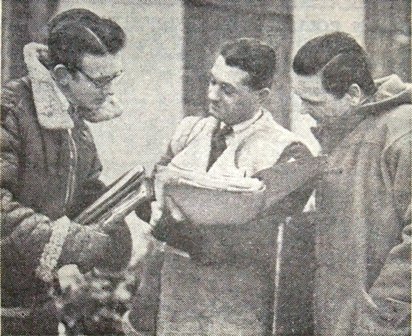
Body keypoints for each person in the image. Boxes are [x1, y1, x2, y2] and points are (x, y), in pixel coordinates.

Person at [124, 38, 313, 335]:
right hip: (172, 296)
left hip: (234, 307)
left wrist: (180, 232)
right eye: (212, 81)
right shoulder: (190, 131)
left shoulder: (288, 152)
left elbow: (261, 240)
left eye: (228, 89)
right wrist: (148, 205)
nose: (212, 95)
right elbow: (150, 189)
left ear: (261, 95)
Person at [1, 9, 132, 335]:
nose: (109, 91)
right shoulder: (10, 110)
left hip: (34, 299)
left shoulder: (74, 123)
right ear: (61, 75)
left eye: (113, 78)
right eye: (100, 81)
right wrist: (72, 241)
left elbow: (81, 185)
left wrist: (114, 217)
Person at [292, 32, 411, 335]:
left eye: (312, 101)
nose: (303, 111)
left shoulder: (402, 134)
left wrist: (380, 319)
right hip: (342, 321)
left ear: (354, 94)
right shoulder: (344, 129)